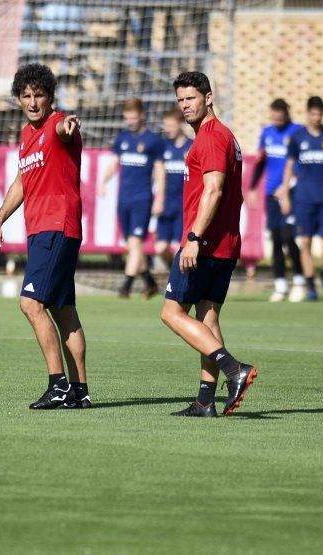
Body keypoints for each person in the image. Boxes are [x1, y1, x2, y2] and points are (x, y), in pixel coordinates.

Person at [0, 63, 90, 409]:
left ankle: (57, 385)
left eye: (39, 95)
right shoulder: (26, 135)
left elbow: (64, 129)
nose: (32, 102)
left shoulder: (57, 123)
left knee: (31, 304)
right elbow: (22, 182)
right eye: (26, 96)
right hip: (43, 229)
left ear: (50, 97)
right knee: (64, 311)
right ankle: (80, 391)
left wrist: (66, 126)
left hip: (56, 226)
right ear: (18, 99)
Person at [160, 71, 257, 418]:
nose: (185, 105)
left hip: (207, 244)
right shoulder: (219, 136)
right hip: (223, 243)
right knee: (208, 319)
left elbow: (214, 190)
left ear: (209, 97)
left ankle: (234, 370)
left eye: (191, 98)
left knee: (171, 313)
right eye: (181, 100)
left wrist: (193, 239)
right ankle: (205, 401)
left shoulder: (212, 137)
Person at [279, 96, 323, 301]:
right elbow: (289, 166)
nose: (316, 117)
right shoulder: (298, 137)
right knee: (305, 241)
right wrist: (285, 194)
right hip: (304, 197)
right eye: (313, 113)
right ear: (308, 113)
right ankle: (310, 284)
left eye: (320, 114)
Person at [100, 97, 165, 299]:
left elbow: (160, 171)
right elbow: (113, 163)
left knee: (136, 242)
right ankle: (149, 282)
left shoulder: (153, 141)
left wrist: (159, 197)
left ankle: (126, 286)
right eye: (127, 118)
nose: (130, 121)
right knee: (132, 245)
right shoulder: (122, 139)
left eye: (134, 117)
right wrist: (103, 181)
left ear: (142, 115)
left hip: (142, 199)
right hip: (123, 200)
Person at [247, 98, 305, 303]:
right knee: (276, 238)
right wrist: (253, 187)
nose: (276, 121)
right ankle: (280, 284)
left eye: (280, 117)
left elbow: (301, 163)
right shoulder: (267, 133)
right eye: (274, 117)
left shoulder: (298, 132)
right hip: (270, 194)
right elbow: (262, 161)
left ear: (287, 114)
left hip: (292, 193)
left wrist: (288, 187)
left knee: (290, 237)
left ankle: (299, 281)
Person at [155, 108, 192, 270]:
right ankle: (174, 271)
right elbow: (158, 173)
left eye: (171, 125)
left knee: (179, 247)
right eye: (166, 125)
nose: (168, 129)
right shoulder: (163, 147)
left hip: (184, 205)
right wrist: (158, 199)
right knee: (160, 248)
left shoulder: (192, 146)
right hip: (166, 203)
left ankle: (177, 279)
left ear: (181, 125)